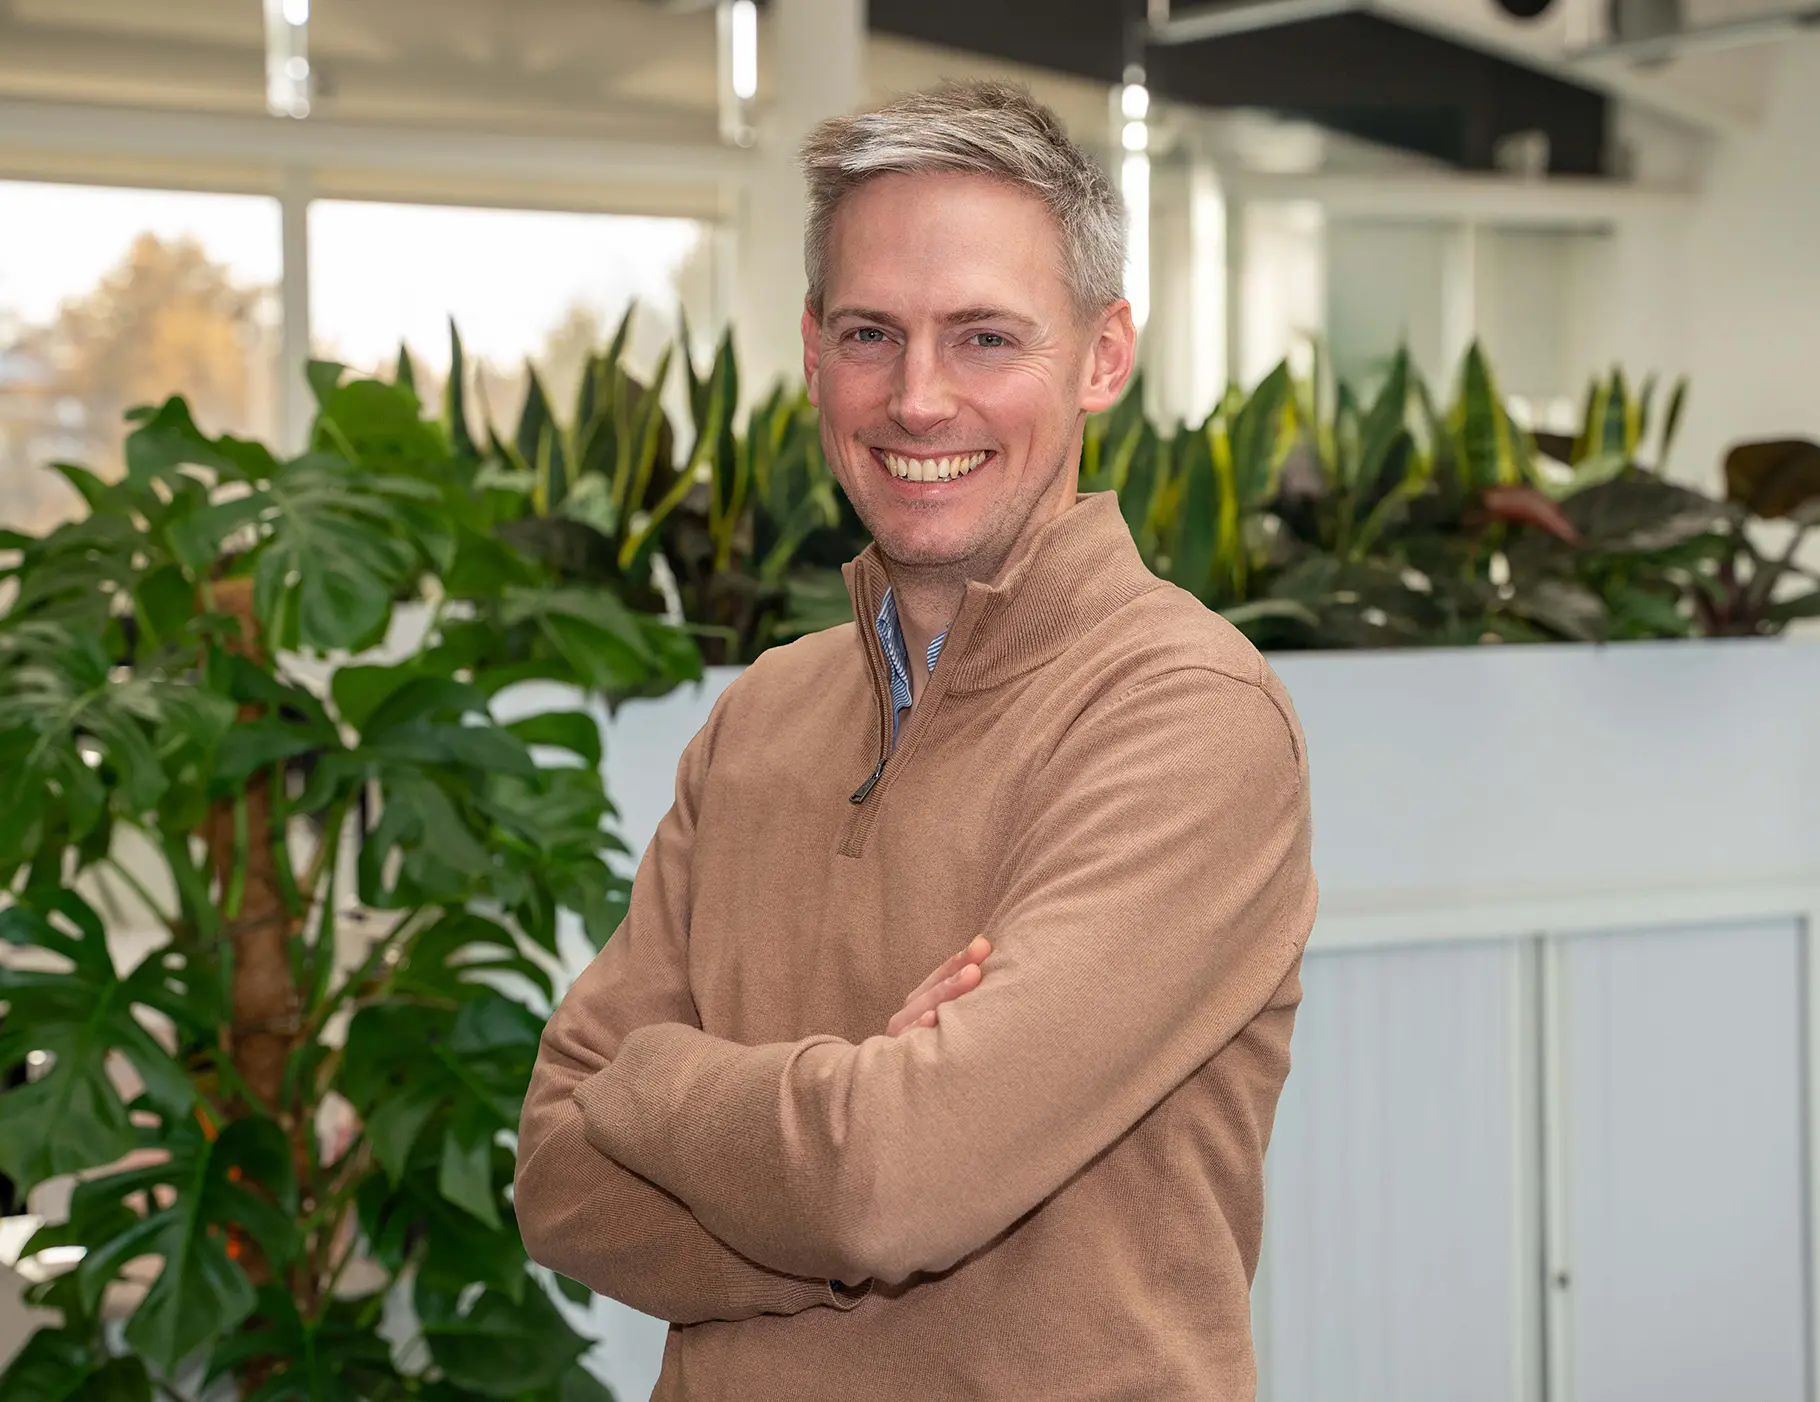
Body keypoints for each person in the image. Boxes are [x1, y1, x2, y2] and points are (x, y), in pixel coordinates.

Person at [515, 79, 1318, 1401]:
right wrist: (842, 1151)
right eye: (872, 334)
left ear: (1104, 355)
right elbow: (557, 1175)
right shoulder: (763, 712)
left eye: (986, 337)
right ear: (813, 349)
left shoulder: (1187, 714)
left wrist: (649, 1081)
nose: (918, 398)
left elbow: (891, 1185)